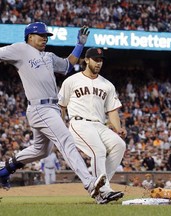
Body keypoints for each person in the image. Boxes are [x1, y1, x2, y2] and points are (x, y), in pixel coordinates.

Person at [0, 22, 106, 198]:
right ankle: (89, 183)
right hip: (39, 107)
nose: (45, 38)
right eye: (41, 35)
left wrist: (79, 45)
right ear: (30, 37)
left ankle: (4, 169)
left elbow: (67, 66)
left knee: (41, 150)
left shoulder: (48, 56)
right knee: (65, 140)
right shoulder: (20, 49)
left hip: (52, 108)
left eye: (46, 36)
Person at [58, 47, 126, 204]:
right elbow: (61, 106)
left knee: (119, 145)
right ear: (87, 60)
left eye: (101, 60)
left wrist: (118, 128)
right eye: (96, 59)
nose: (99, 63)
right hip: (79, 122)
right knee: (99, 150)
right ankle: (103, 192)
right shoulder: (71, 81)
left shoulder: (107, 85)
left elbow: (112, 111)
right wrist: (60, 128)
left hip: (99, 125)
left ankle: (101, 186)